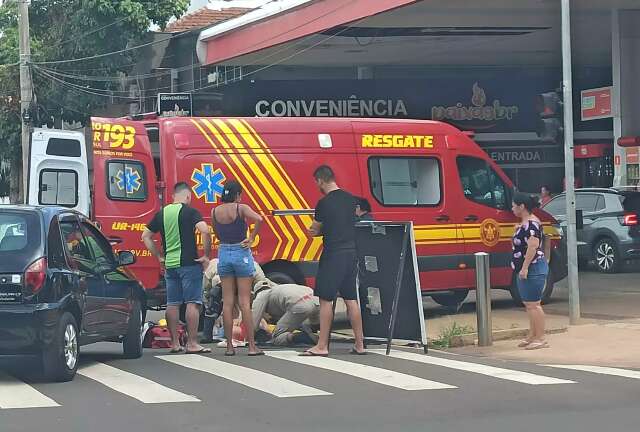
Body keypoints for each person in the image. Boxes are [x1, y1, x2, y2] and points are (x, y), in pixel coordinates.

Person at [142, 182, 212, 354]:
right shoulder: (190, 211)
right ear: (188, 196)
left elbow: (145, 236)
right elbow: (205, 230)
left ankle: (174, 343)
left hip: (170, 265)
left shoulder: (162, 213)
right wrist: (206, 255)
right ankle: (192, 343)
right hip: (189, 264)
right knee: (192, 303)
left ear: (173, 196)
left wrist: (159, 256)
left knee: (172, 304)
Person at [304, 165, 366, 356]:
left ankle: (322, 346)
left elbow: (315, 229)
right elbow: (347, 223)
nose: (317, 186)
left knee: (326, 300)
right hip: (351, 253)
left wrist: (316, 230)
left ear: (321, 180)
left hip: (333, 254)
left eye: (317, 182)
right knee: (351, 299)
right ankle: (359, 344)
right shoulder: (351, 200)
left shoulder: (323, 203)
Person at [212, 180, 264, 356]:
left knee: (227, 303)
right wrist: (251, 238)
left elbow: (217, 233)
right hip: (241, 252)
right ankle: (251, 346)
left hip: (224, 253)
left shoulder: (214, 211)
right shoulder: (240, 208)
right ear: (237, 195)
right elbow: (259, 219)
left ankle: (229, 347)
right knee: (244, 302)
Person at [511, 192, 549, 350]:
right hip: (525, 267)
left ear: (522, 206)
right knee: (529, 304)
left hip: (533, 267)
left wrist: (525, 267)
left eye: (514, 206)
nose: (512, 208)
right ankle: (532, 335)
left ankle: (540, 338)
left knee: (534, 304)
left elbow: (533, 246)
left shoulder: (532, 223)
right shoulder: (524, 223)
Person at [251, 278, 320, 346]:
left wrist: (251, 337)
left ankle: (302, 337)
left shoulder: (261, 295)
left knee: (277, 337)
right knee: (309, 322)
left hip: (300, 306)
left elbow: (253, 323)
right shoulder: (282, 288)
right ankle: (321, 334)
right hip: (317, 301)